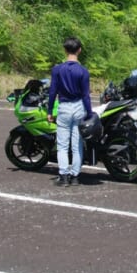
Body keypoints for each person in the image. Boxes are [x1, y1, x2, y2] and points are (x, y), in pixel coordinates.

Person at [46, 37, 93, 187]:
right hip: (79, 106)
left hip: (64, 107)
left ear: (65, 50)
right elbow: (86, 95)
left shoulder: (57, 69)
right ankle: (75, 177)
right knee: (77, 144)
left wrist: (49, 110)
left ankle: (63, 176)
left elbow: (52, 91)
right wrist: (90, 113)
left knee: (62, 145)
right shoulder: (83, 71)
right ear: (79, 50)